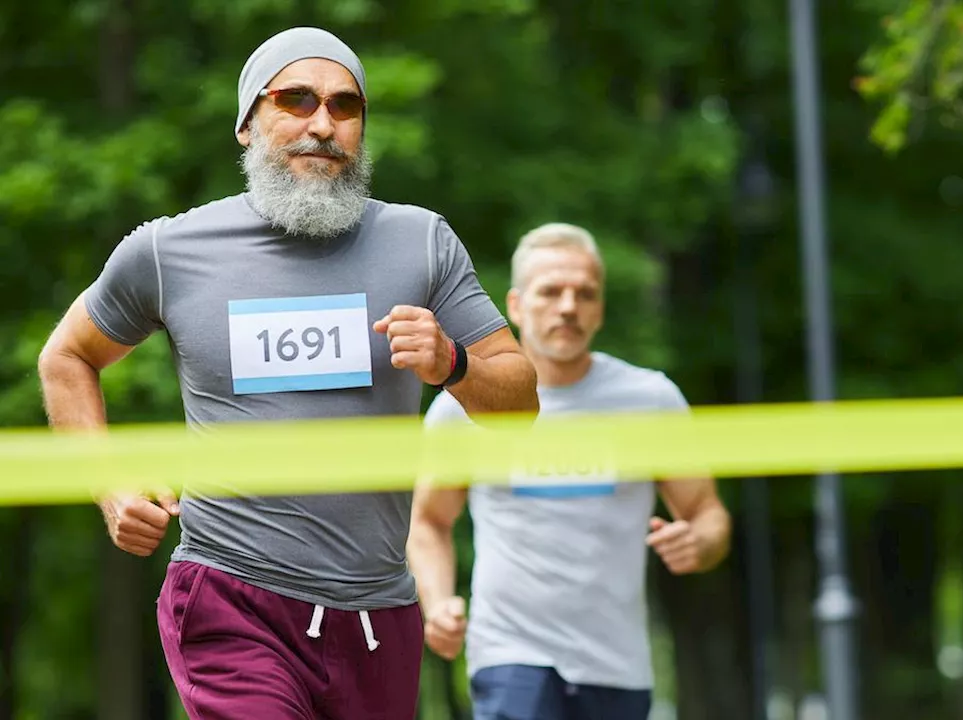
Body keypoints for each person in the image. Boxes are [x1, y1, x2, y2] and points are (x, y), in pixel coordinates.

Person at [36, 26, 538, 720]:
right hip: (232, 597)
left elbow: (522, 401)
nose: (322, 124)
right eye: (295, 100)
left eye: (344, 106)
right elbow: (66, 357)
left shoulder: (421, 241)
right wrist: (108, 486)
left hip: (378, 613)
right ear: (247, 123)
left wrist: (452, 361)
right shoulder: (168, 250)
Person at [409, 222, 732, 720]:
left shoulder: (649, 400)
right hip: (510, 656)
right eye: (551, 292)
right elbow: (429, 522)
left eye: (584, 294)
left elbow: (708, 514)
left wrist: (701, 542)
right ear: (515, 306)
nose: (567, 307)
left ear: (599, 309)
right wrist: (438, 604)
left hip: (616, 667)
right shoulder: (464, 406)